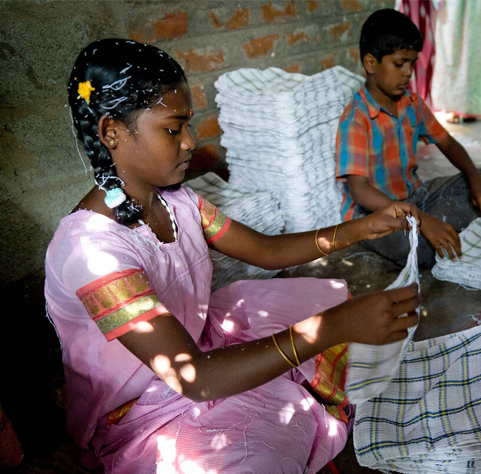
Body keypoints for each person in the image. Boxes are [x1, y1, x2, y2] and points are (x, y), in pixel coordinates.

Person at [45, 38, 421, 474]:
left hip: (197, 347)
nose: (190, 142)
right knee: (254, 456)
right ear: (112, 132)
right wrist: (328, 329)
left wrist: (361, 228)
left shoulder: (176, 202)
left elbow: (264, 251)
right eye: (173, 129)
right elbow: (195, 378)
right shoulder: (92, 252)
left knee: (322, 319)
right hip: (142, 404)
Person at [336, 9, 481, 270]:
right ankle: (437, 227)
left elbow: (448, 144)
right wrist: (422, 219)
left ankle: (435, 226)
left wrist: (476, 181)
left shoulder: (412, 104)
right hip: (376, 214)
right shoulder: (356, 118)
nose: (408, 73)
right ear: (370, 63)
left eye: (412, 63)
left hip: (416, 197)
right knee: (417, 252)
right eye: (400, 63)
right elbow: (360, 190)